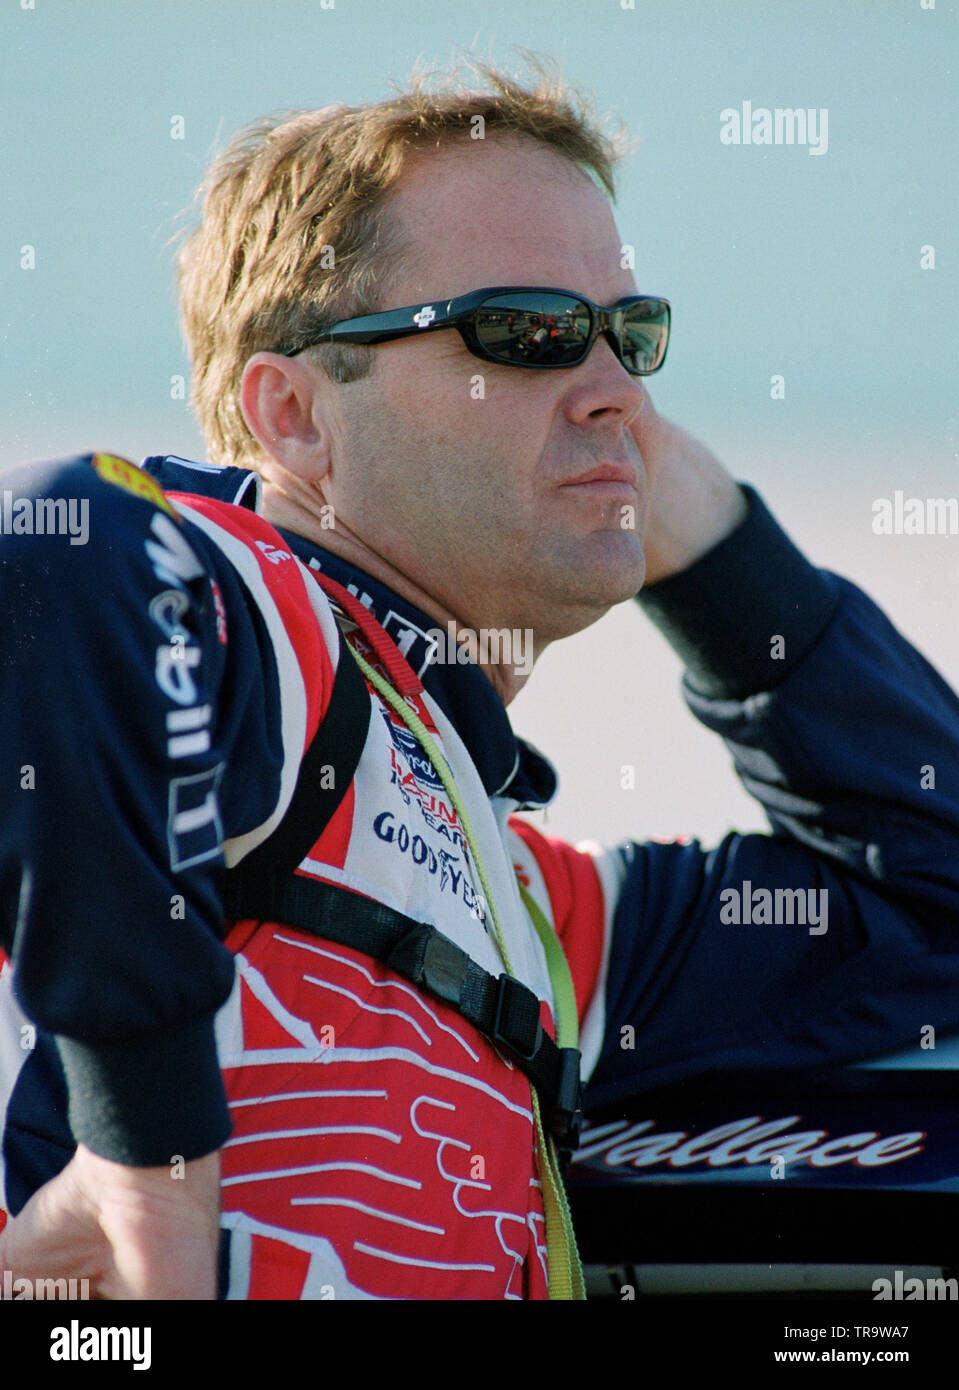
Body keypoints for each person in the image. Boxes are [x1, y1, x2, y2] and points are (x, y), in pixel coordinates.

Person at [2, 61, 958, 1302]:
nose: (618, 391)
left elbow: (932, 894)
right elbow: (51, 563)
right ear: (294, 417)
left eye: (631, 335)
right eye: (527, 333)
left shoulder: (524, 910)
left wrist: (706, 537)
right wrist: (150, 1142)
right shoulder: (270, 628)